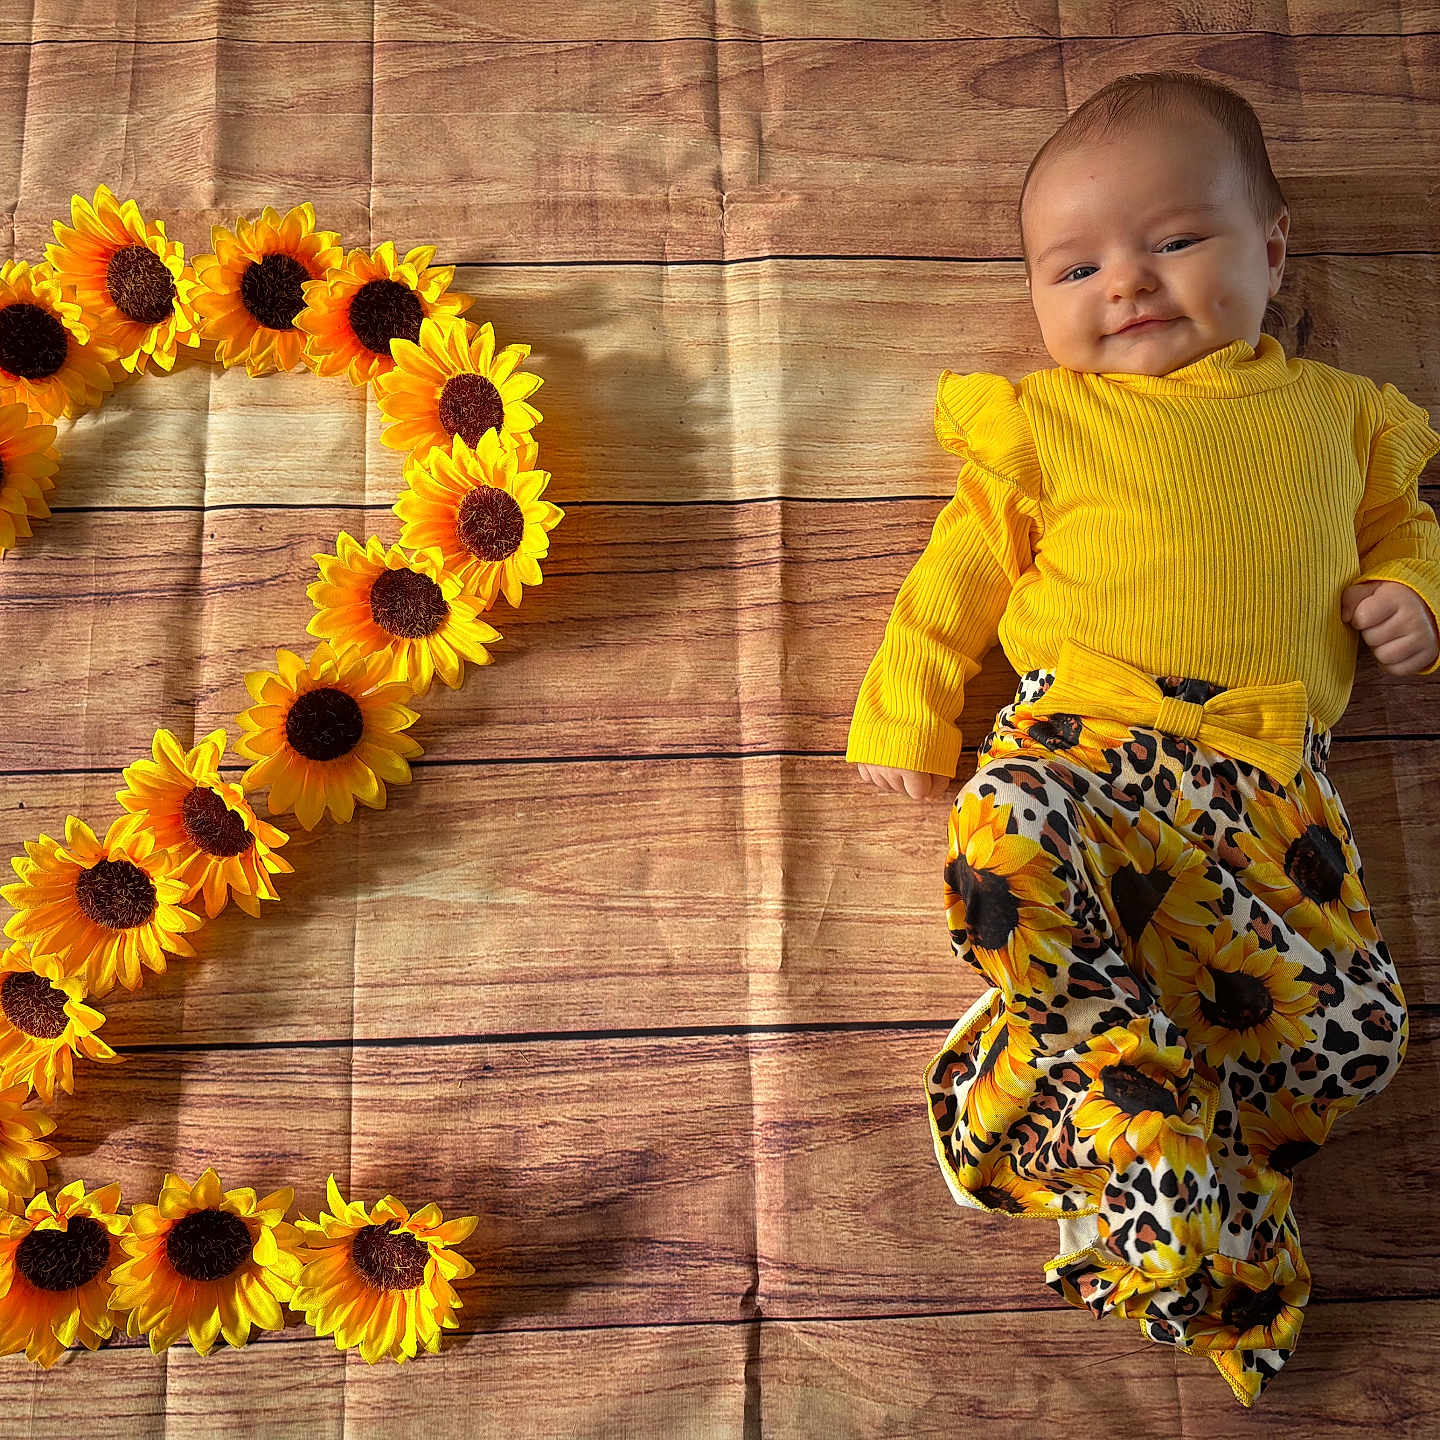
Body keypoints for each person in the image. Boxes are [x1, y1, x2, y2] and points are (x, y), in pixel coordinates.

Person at [845, 70, 1440, 1409]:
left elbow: (1405, 530)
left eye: (1176, 241)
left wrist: (1414, 596)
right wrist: (907, 705)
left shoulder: (1346, 417)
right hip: (1089, 748)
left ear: (1272, 249)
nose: (1127, 282)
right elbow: (954, 583)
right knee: (1006, 832)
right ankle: (1129, 1088)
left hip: (1269, 783)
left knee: (1356, 1031)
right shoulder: (1044, 422)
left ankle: (1096, 1124)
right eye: (1075, 267)